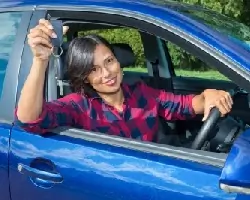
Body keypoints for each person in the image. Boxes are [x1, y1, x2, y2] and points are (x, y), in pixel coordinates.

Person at [15, 19, 233, 142]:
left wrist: (208, 96)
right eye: (94, 70)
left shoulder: (141, 94)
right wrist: (40, 60)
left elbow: (185, 104)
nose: (107, 73)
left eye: (109, 61)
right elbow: (29, 120)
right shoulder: (78, 106)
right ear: (86, 78)